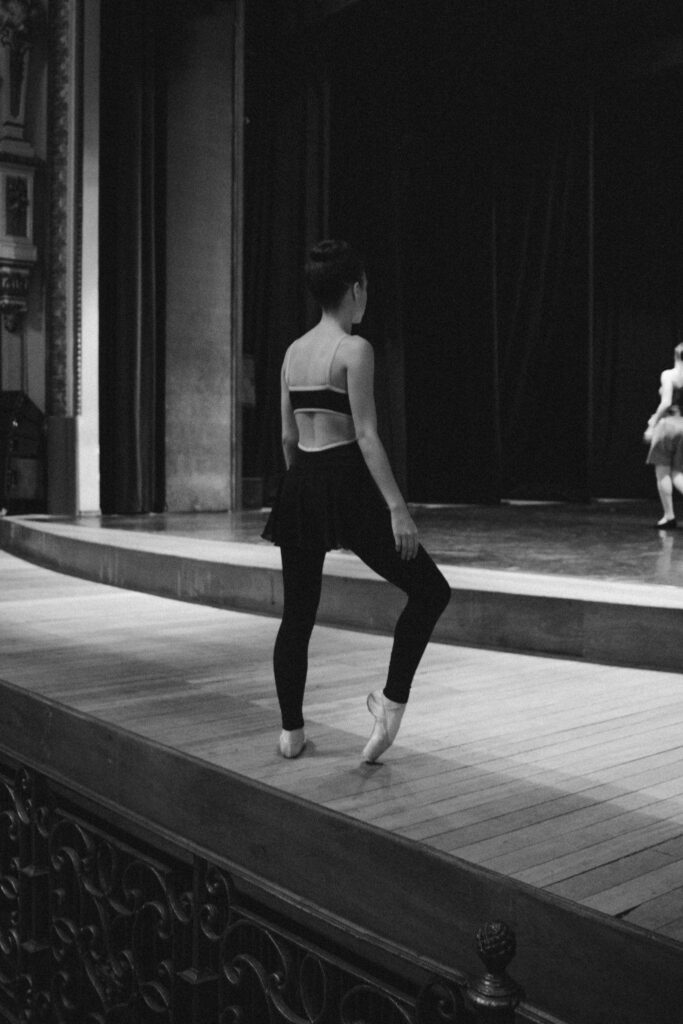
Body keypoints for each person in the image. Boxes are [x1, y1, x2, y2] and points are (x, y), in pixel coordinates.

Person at [262, 239, 451, 762]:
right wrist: (397, 508)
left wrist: (301, 494)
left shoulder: (293, 353)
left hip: (302, 483)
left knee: (297, 616)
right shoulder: (355, 349)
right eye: (365, 286)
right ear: (354, 290)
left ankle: (291, 734)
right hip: (348, 485)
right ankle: (388, 710)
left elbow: (286, 438)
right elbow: (366, 435)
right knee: (431, 592)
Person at [644, 342, 683, 528]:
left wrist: (652, 423)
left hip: (668, 426)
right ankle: (668, 517)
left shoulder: (669, 375)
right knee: (678, 472)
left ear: (675, 357)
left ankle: (669, 516)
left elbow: (666, 402)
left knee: (663, 471)